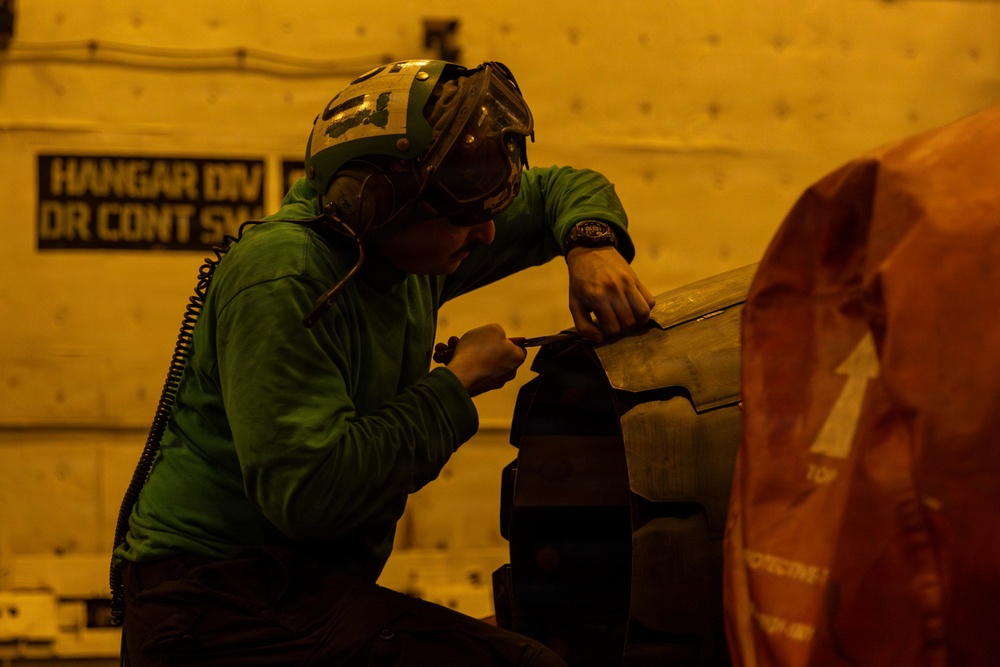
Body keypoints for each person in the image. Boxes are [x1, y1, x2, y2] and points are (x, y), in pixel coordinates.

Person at [111, 58, 655, 666]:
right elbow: (313, 495)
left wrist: (591, 244)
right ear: (378, 204)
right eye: (465, 219)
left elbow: (561, 189)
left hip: (299, 588)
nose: (486, 235)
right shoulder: (286, 277)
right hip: (210, 605)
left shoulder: (410, 249)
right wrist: (456, 386)